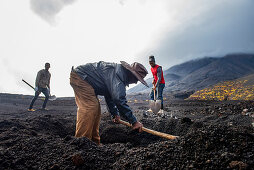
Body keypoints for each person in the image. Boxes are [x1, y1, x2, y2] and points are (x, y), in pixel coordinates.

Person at [70, 61, 148, 145]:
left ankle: (93, 143)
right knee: (90, 107)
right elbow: (118, 99)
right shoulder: (117, 75)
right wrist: (134, 122)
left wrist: (115, 114)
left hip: (84, 78)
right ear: (131, 74)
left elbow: (109, 95)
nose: (136, 82)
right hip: (81, 77)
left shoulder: (118, 75)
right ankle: (81, 142)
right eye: (136, 78)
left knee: (96, 110)